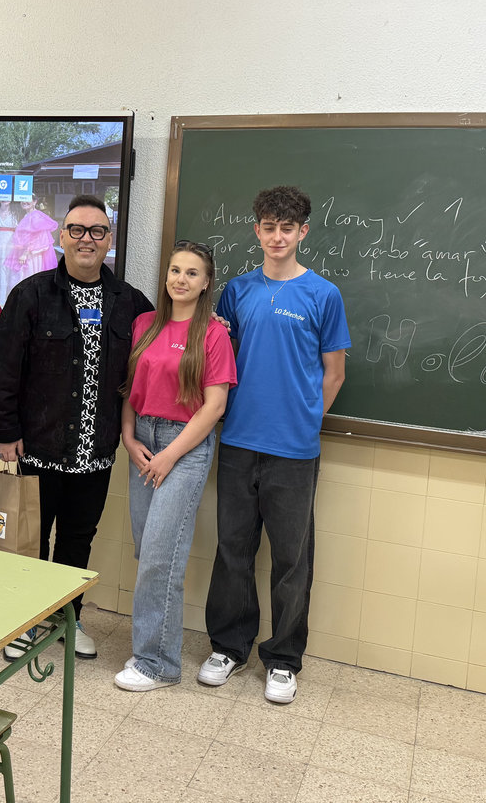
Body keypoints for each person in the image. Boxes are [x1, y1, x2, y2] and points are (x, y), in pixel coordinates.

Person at [197, 185, 350, 705]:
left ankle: (283, 659)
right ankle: (229, 647)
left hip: (294, 451)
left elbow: (334, 373)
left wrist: (305, 420)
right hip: (239, 440)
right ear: (257, 230)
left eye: (288, 228)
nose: (278, 236)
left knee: (291, 558)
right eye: (269, 227)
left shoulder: (324, 295)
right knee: (232, 550)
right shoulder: (237, 291)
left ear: (303, 232)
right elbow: (219, 360)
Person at [0, 193, 154, 658]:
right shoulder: (32, 294)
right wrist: (5, 432)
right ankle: (24, 620)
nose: (86, 239)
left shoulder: (130, 303)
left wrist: (208, 321)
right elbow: (4, 368)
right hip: (39, 446)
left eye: (97, 231)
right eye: (77, 230)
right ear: (61, 237)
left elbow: (168, 336)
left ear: (109, 240)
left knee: (78, 541)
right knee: (32, 539)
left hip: (96, 452)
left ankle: (67, 618)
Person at [114, 240, 237, 691]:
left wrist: (171, 454)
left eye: (191, 273)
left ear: (206, 283)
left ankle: (157, 664)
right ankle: (152, 649)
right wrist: (129, 437)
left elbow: (214, 406)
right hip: (143, 441)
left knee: (160, 559)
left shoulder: (214, 335)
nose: (180, 279)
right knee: (147, 551)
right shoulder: (144, 324)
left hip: (184, 447)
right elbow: (131, 387)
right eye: (175, 270)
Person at [6, 195, 59, 288]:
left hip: (32, 255)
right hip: (26, 254)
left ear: (34, 202)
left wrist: (25, 254)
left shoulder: (36, 216)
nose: (24, 202)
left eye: (28, 199)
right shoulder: (28, 215)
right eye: (23, 199)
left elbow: (38, 238)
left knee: (30, 281)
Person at [0, 198, 21, 303]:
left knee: (7, 270)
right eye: (2, 197)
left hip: (11, 244)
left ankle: (5, 299)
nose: (4, 200)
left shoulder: (16, 213)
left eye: (6, 197)